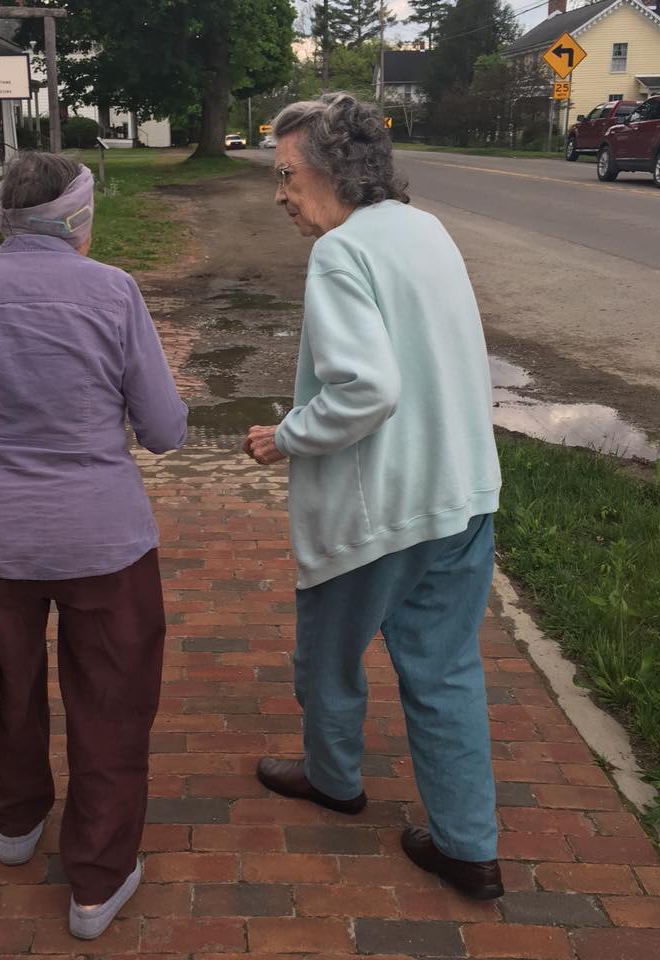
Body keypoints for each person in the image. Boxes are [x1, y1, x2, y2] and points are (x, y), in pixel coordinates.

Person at [0, 152, 188, 939]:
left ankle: (17, 823)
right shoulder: (114, 292)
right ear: (77, 218)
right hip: (105, 539)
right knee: (113, 706)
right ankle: (96, 882)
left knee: (9, 686)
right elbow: (162, 431)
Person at [243, 93, 504, 900]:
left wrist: (285, 435)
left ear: (331, 171)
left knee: (325, 659)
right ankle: (468, 849)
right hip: (459, 493)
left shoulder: (340, 252)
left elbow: (367, 390)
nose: (279, 192)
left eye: (286, 175)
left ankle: (334, 778)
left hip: (377, 511)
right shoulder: (424, 228)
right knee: (447, 671)